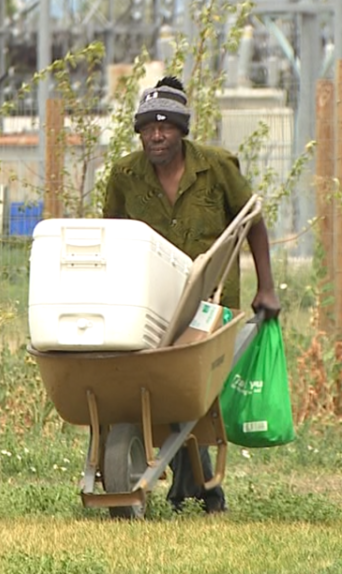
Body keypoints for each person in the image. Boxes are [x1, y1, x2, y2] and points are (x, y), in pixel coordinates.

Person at [103, 75, 282, 514]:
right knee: (164, 388)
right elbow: (110, 236)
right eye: (147, 128)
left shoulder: (217, 166)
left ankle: (198, 488)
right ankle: (201, 489)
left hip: (211, 303)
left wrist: (267, 286)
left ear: (181, 130)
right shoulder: (125, 175)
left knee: (193, 393)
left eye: (165, 127)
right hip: (150, 305)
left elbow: (252, 221)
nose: (156, 135)